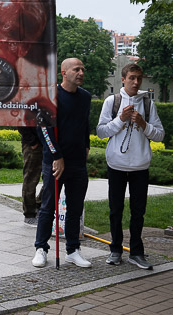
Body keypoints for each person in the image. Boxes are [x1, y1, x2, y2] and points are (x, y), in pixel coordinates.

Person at [96, 63, 165, 270]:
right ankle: (115, 250)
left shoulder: (148, 104)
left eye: (139, 78)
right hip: (116, 164)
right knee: (115, 210)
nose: (136, 82)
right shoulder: (112, 101)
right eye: (132, 78)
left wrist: (143, 124)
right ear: (123, 79)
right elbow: (101, 132)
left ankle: (136, 252)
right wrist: (121, 120)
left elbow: (160, 135)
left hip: (140, 166)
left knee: (138, 212)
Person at [33, 58, 92, 268]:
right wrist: (57, 156)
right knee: (49, 206)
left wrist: (87, 145)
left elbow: (85, 125)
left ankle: (73, 250)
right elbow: (44, 130)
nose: (81, 73)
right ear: (63, 72)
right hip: (55, 162)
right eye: (77, 69)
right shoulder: (51, 97)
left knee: (75, 208)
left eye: (83, 69)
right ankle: (41, 248)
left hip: (77, 162)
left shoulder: (85, 97)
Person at [19, 126, 43, 224]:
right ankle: (29, 214)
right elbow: (20, 121)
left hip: (48, 142)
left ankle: (38, 205)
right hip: (33, 144)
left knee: (52, 178)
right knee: (31, 178)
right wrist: (32, 141)